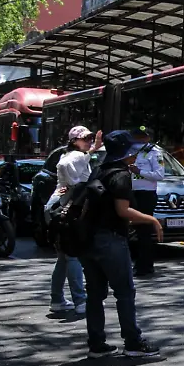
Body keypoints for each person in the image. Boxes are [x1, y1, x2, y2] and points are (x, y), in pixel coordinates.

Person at [80, 130, 164, 358]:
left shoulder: (98, 170)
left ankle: (97, 344)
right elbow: (123, 210)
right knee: (124, 292)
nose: (134, 156)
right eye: (132, 152)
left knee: (95, 295)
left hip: (88, 240)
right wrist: (152, 219)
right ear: (126, 153)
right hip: (111, 240)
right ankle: (133, 343)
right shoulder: (121, 175)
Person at [46, 126, 102, 314]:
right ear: (74, 141)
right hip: (65, 210)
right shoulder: (75, 156)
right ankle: (80, 301)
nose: (88, 141)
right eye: (84, 138)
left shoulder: (77, 155)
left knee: (63, 258)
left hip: (59, 208)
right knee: (73, 256)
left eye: (90, 138)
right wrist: (73, 184)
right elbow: (64, 167)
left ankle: (57, 299)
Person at [128, 126, 164, 277]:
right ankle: (133, 263)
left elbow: (159, 175)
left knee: (144, 232)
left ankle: (145, 266)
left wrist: (139, 172)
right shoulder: (131, 151)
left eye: (141, 137)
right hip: (131, 193)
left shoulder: (155, 153)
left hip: (146, 195)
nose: (138, 140)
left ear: (148, 138)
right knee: (130, 231)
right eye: (136, 136)